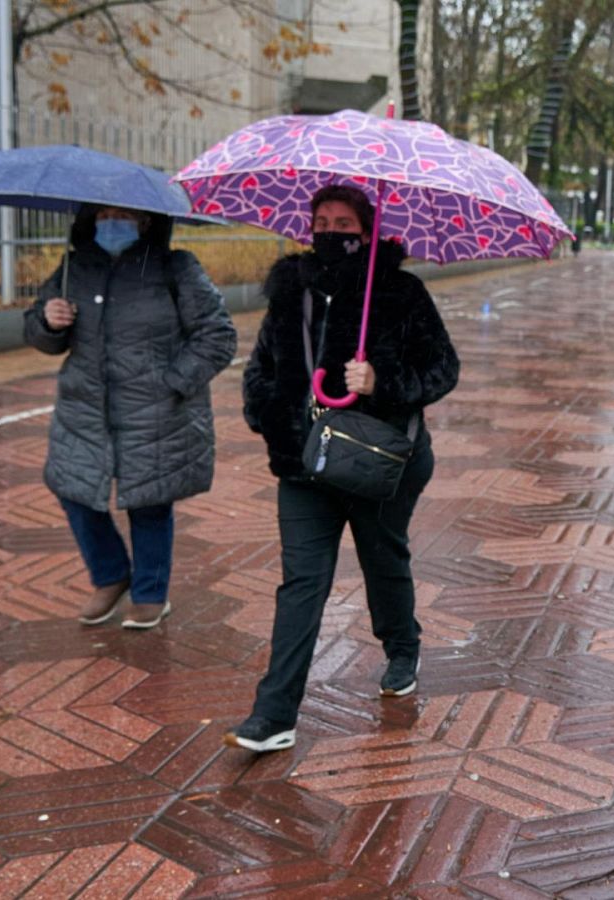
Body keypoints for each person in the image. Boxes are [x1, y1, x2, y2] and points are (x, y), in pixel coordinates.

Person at [227, 184, 459, 753]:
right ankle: (274, 714)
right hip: (303, 461)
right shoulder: (290, 292)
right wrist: (269, 414)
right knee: (302, 583)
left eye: (344, 223)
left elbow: (443, 367)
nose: (331, 232)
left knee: (383, 560)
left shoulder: (400, 292)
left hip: (377, 459)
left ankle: (402, 646)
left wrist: (383, 382)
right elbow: (260, 367)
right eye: (322, 222)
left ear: (367, 230)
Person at [24, 205, 237, 630]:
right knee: (74, 490)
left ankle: (150, 592)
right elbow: (40, 336)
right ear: (89, 219)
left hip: (155, 409)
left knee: (150, 500)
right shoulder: (73, 269)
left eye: (124, 213)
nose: (112, 221)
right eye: (103, 213)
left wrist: (173, 382)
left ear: (147, 221)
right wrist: (48, 322)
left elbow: (218, 335)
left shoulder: (176, 268)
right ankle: (111, 574)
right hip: (84, 408)